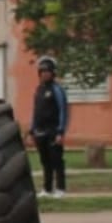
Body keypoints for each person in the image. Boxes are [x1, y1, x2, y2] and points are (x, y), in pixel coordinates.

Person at [28, 56, 68, 198]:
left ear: (53, 73)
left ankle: (61, 189)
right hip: (40, 132)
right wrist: (31, 130)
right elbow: (35, 111)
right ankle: (47, 189)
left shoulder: (57, 90)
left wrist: (60, 131)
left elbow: (63, 110)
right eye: (42, 71)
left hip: (53, 131)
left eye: (48, 71)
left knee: (57, 160)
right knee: (45, 162)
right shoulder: (38, 89)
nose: (45, 73)